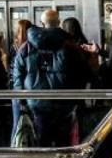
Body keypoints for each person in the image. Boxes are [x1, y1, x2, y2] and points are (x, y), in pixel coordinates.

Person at [11, 8, 89, 146]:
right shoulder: (71, 47)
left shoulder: (25, 48)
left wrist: (22, 102)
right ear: (59, 22)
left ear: (41, 23)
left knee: (42, 147)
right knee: (64, 148)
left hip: (37, 106)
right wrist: (76, 98)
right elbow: (83, 75)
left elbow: (18, 77)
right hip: (65, 106)